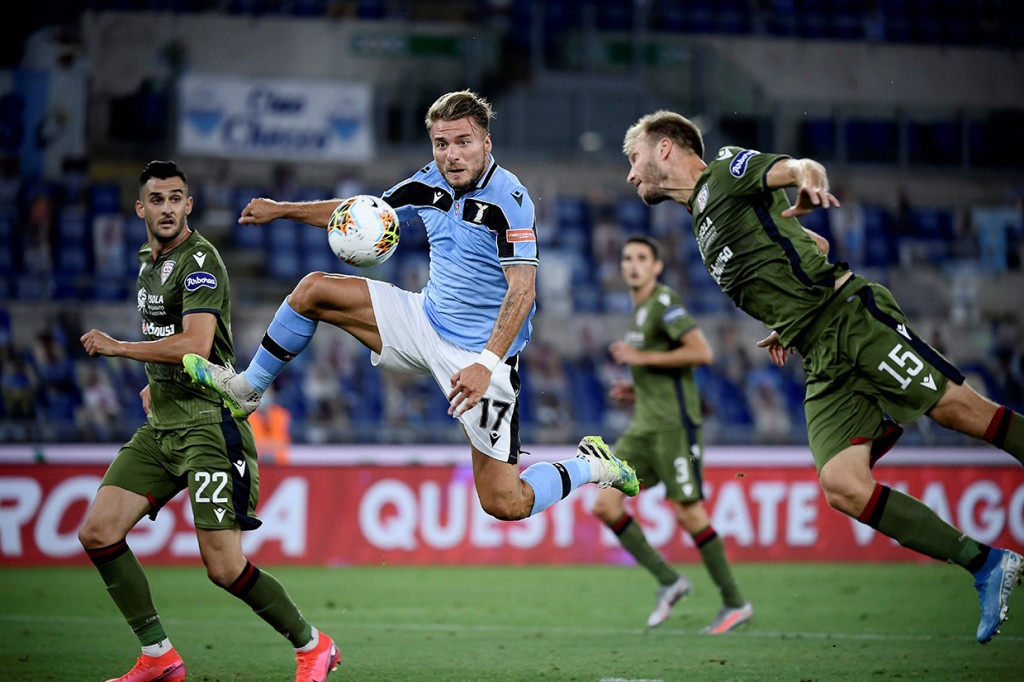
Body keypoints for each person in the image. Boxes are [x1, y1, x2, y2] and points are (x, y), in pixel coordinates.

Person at [621, 111, 1024, 643]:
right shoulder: (702, 217)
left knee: (963, 413)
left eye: (634, 159)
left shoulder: (723, 172)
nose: (631, 175)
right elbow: (816, 247)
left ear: (665, 148)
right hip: (818, 349)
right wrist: (788, 322)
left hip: (853, 321)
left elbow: (800, 167)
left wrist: (809, 182)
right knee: (843, 485)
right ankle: (987, 564)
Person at [182, 90, 638, 525]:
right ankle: (247, 389)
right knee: (313, 290)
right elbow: (364, 213)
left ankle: (591, 465)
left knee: (505, 502)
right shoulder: (430, 181)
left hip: (480, 358)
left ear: (486, 142)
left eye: (463, 142)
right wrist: (284, 210)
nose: (452, 154)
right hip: (424, 320)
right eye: (442, 143)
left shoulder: (510, 201)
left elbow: (523, 292)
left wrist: (485, 364)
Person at [78, 161, 339, 682]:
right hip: (163, 426)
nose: (168, 208)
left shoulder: (201, 261)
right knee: (98, 532)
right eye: (158, 199)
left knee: (222, 567)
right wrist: (155, 379)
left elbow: (198, 345)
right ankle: (158, 656)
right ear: (141, 208)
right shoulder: (146, 262)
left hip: (209, 426)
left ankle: (314, 645)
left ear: (189, 205)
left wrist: (121, 349)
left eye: (177, 198)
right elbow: (172, 335)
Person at [594, 234, 751, 633]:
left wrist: (640, 359)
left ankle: (735, 603)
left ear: (656, 267)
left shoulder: (663, 302)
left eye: (642, 258)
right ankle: (669, 581)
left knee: (687, 511)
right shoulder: (639, 310)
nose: (632, 264)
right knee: (605, 505)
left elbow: (701, 352)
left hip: (673, 428)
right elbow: (662, 367)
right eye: (627, 258)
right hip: (643, 427)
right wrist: (638, 385)